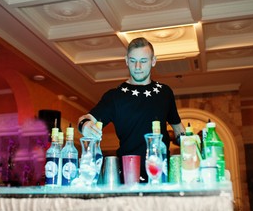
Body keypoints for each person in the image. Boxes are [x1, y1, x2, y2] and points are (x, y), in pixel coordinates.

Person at [77, 37, 185, 182]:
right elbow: (85, 119)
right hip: (128, 174)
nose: (138, 67)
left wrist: (190, 141)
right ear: (126, 61)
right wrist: (85, 126)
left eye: (143, 61)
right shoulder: (115, 97)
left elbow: (178, 129)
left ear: (153, 61)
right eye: (133, 61)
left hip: (161, 174)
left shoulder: (165, 93)